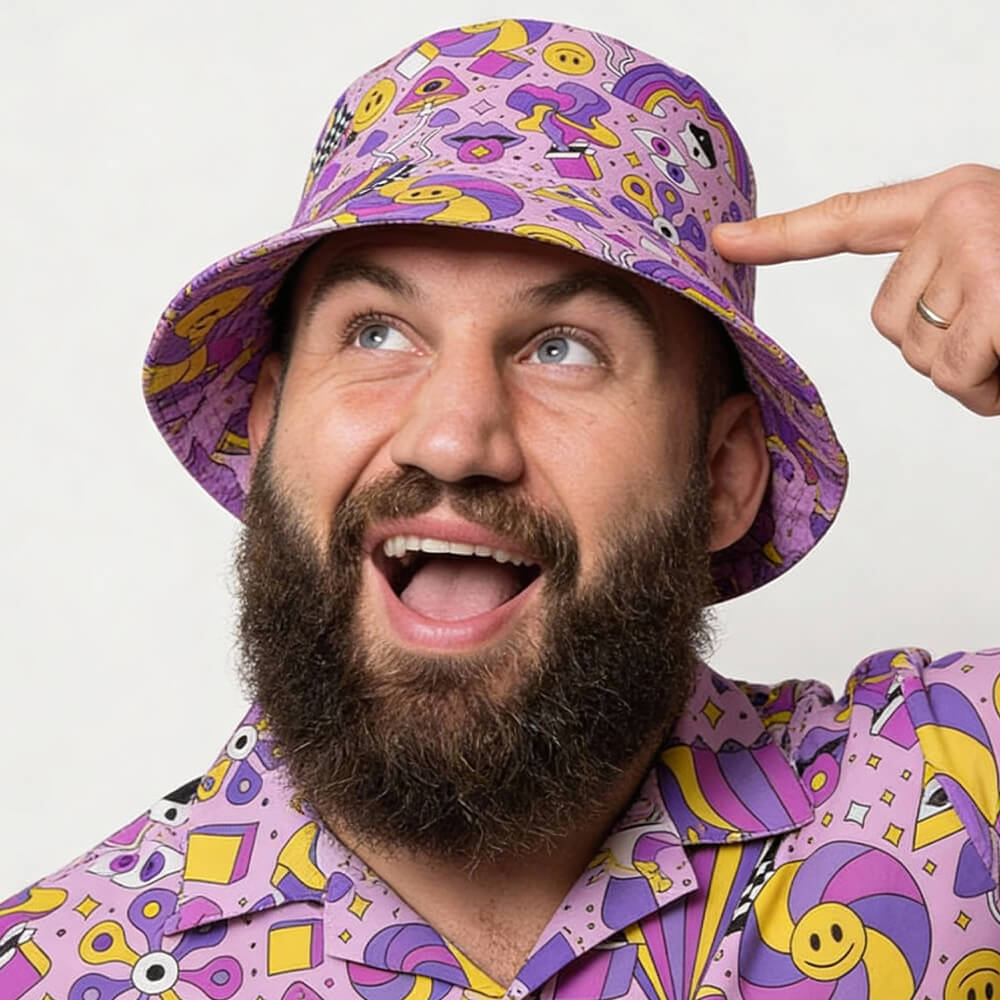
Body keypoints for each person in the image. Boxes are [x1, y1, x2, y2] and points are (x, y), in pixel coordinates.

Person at [3, 18, 999, 1000]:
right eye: (378, 332)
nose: (452, 438)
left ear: (723, 476)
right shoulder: (52, 971)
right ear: (266, 428)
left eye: (564, 347)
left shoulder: (958, 798)